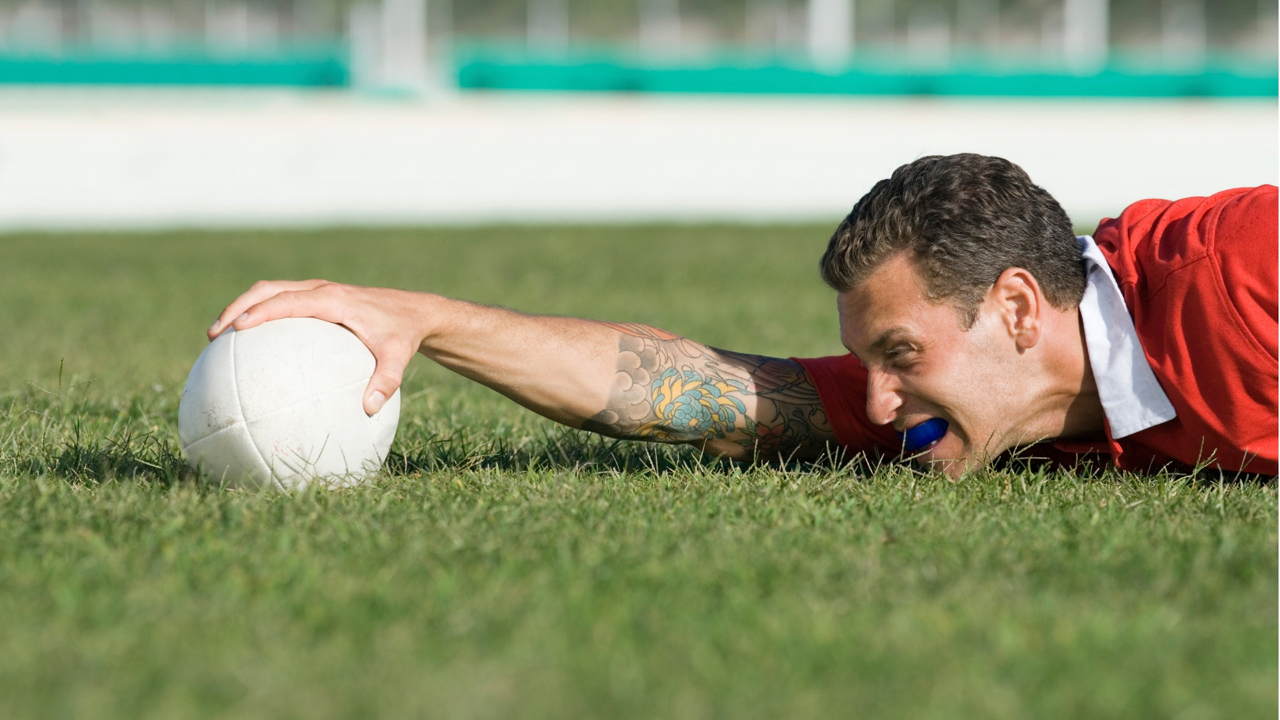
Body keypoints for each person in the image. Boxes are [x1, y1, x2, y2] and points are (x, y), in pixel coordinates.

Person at [208, 154, 1278, 477]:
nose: (874, 396)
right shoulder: (960, 410)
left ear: (1012, 308)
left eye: (899, 353)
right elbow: (697, 389)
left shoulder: (1236, 278)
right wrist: (426, 321)